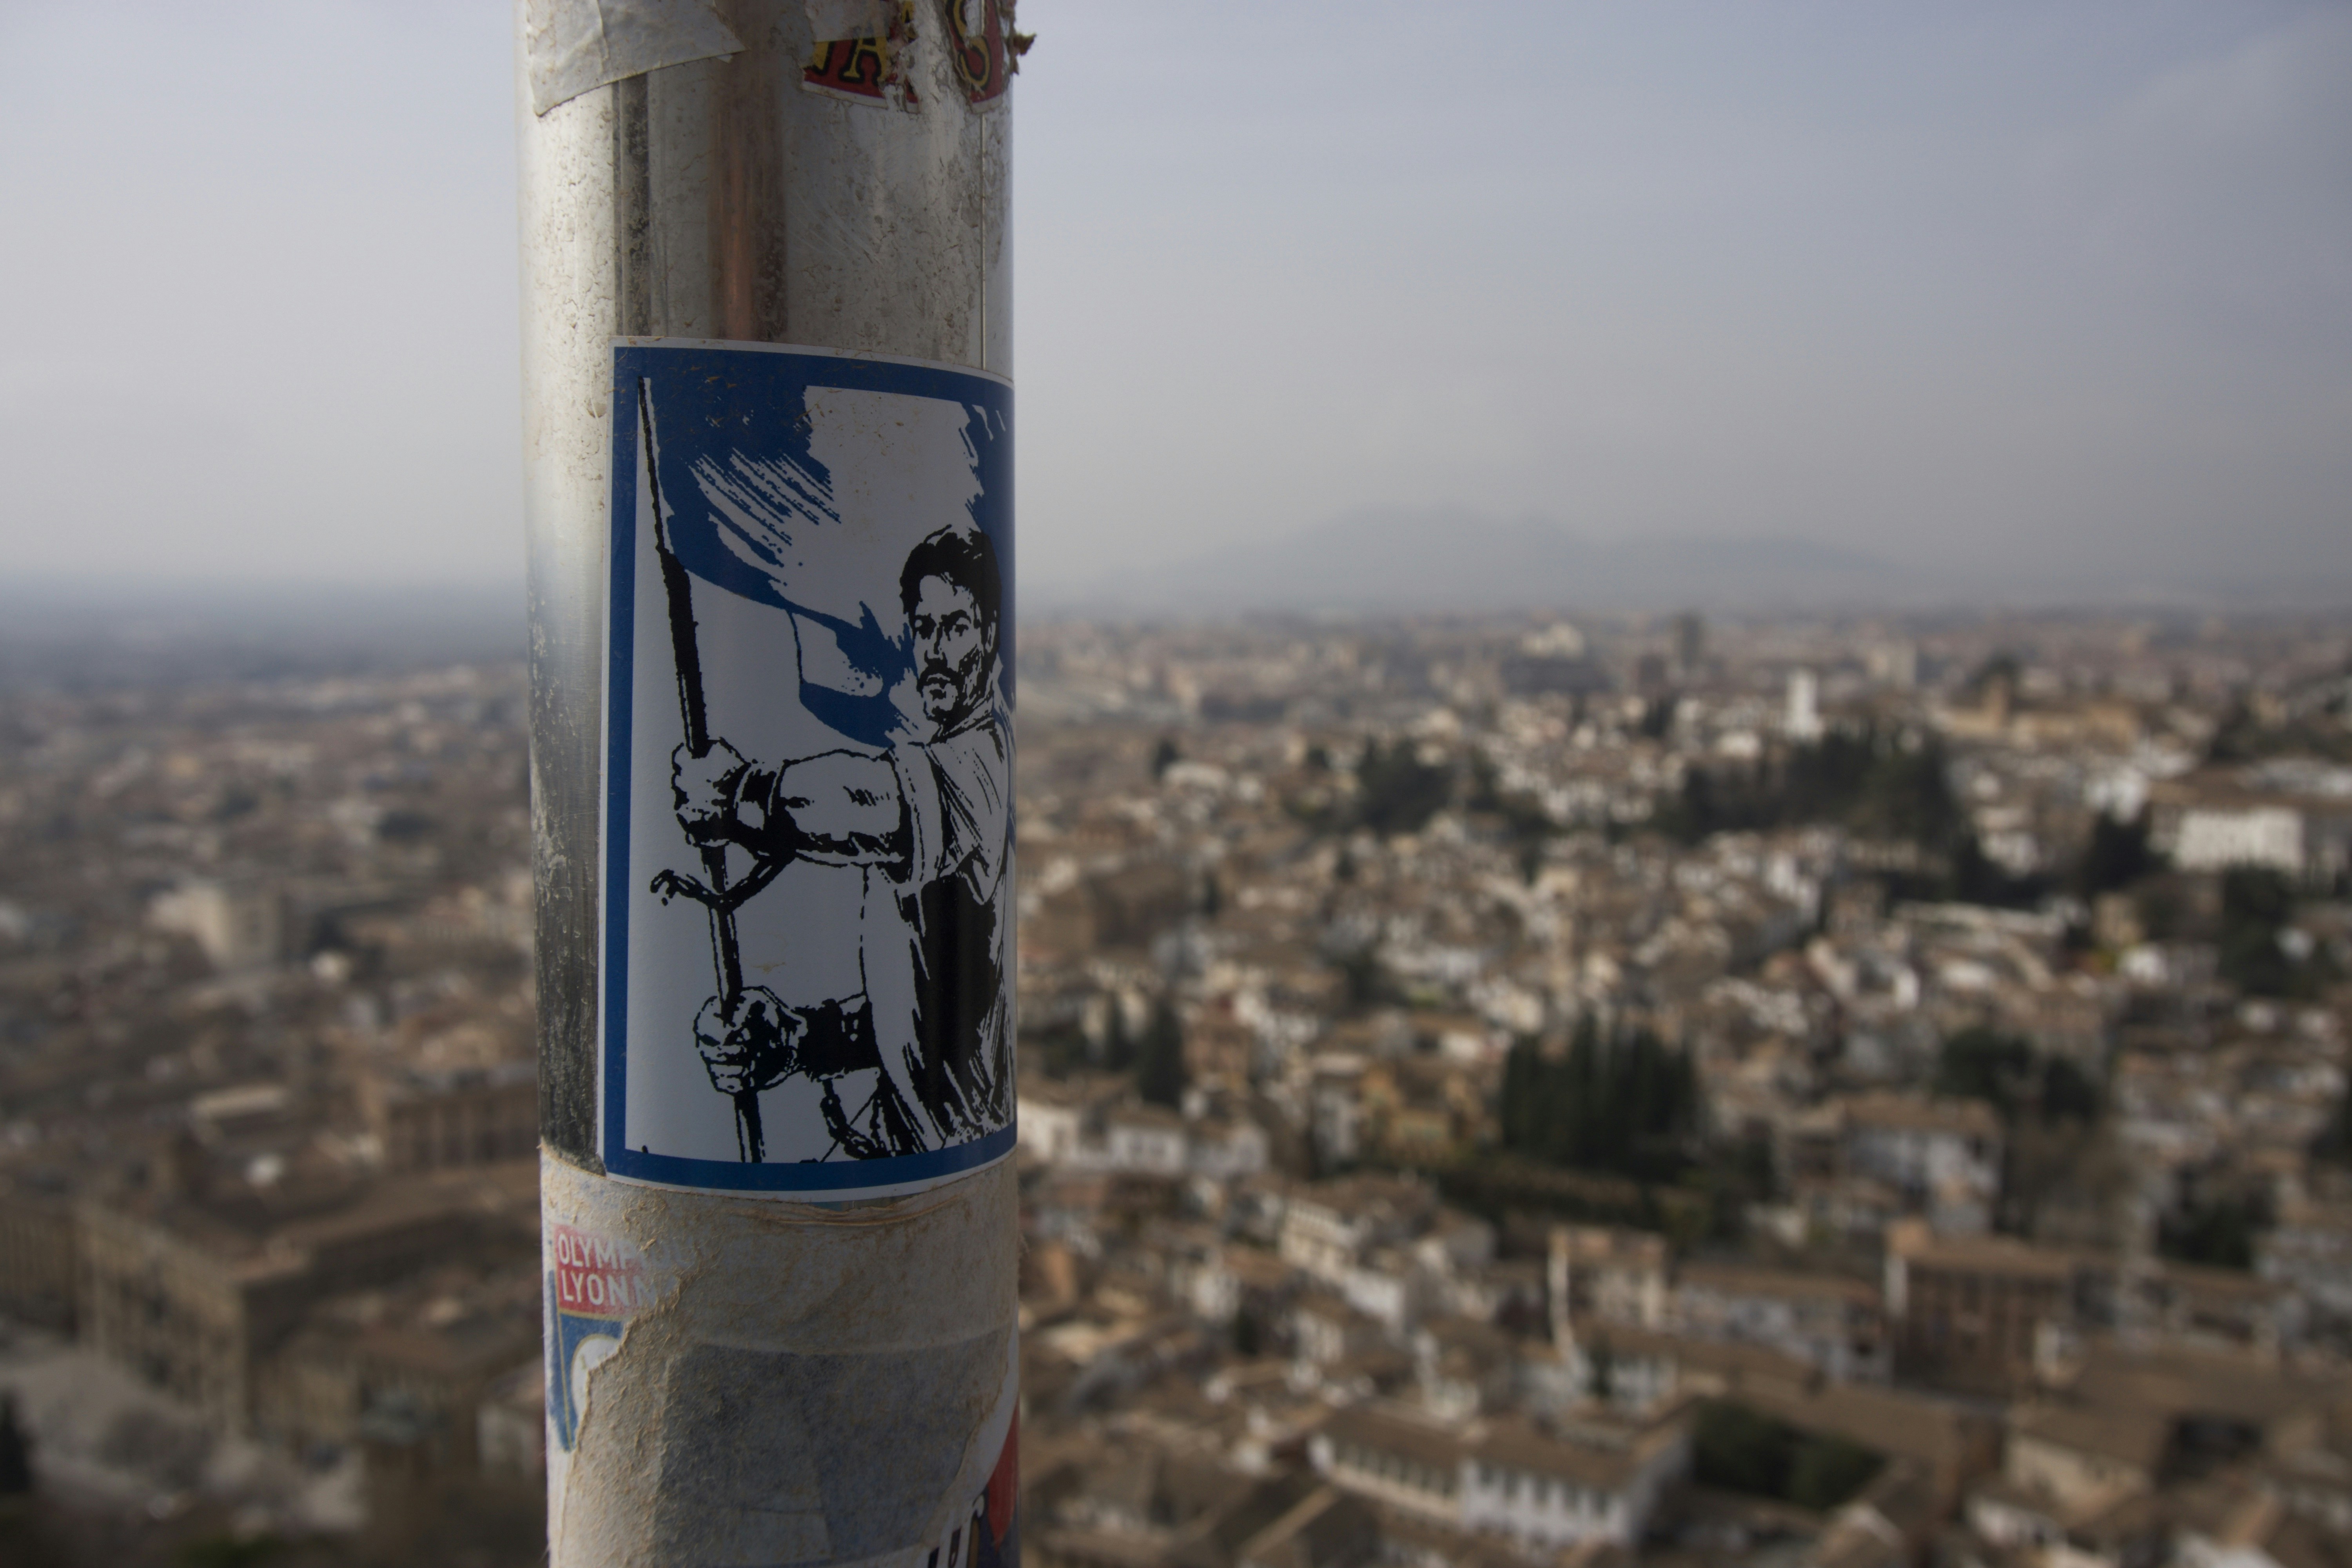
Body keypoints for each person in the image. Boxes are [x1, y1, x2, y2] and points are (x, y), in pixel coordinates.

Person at [671, 526, 1012, 1153]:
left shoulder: (981, 764)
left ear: (989, 637)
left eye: (956, 627)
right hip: (902, 1138)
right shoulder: (946, 767)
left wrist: (745, 794)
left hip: (942, 1151)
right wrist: (802, 1040)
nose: (936, 650)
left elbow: (871, 803)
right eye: (924, 628)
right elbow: (936, 1009)